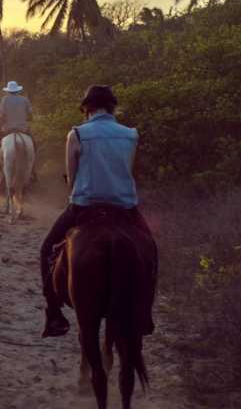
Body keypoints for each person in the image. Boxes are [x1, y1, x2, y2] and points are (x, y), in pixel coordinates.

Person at [39, 85, 156, 338]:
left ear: (86, 108)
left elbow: (72, 180)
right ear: (112, 107)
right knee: (151, 250)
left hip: (85, 205)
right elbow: (126, 169)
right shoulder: (130, 135)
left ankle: (54, 313)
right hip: (124, 207)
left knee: (46, 249)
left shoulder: (77, 134)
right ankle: (145, 314)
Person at [0, 81, 35, 177]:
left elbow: (1, 117)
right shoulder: (25, 100)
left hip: (7, 130)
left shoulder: (5, 100)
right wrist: (23, 118)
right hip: (23, 130)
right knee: (34, 145)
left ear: (8, 91)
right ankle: (32, 170)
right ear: (18, 90)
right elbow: (31, 117)